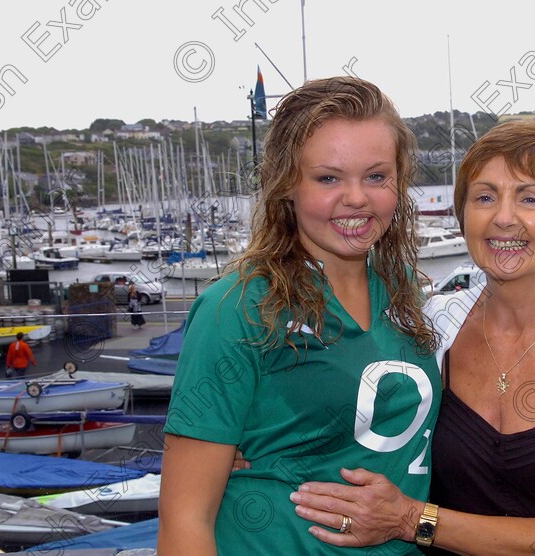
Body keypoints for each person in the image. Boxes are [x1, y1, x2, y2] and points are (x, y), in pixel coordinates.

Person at [290, 120, 535, 555]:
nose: (503, 218)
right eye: (484, 197)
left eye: (529, 198)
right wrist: (244, 444)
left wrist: (409, 519)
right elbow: (336, 398)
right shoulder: (433, 322)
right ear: (464, 214)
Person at [158, 77, 441, 555]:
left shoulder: (408, 295)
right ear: (287, 183)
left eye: (376, 176)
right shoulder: (239, 308)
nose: (356, 198)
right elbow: (184, 519)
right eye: (328, 178)